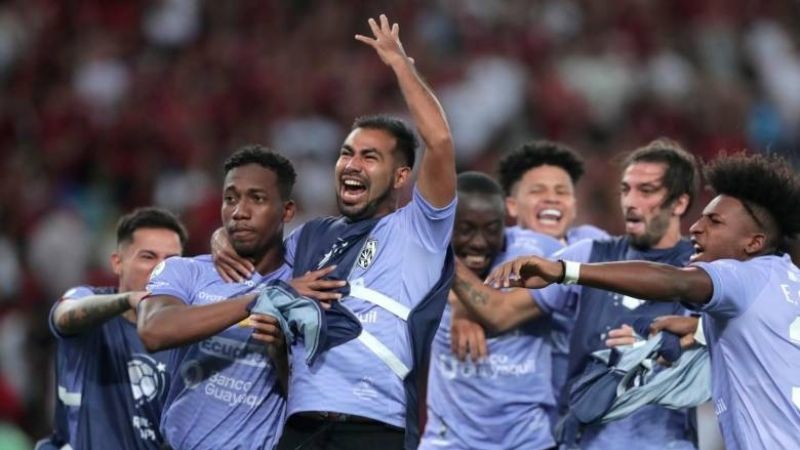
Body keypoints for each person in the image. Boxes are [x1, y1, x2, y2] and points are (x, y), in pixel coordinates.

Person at [213, 14, 456, 450]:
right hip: (301, 427)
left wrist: (400, 65)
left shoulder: (420, 230)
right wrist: (220, 238)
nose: (352, 164)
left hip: (374, 427)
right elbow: (251, 257)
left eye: (369, 157)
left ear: (401, 177)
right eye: (346, 153)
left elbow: (439, 143)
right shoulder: (311, 236)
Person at [486, 152, 800, 450]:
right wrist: (699, 329)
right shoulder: (786, 279)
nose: (696, 228)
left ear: (754, 242)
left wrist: (563, 271)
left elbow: (675, 281)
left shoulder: (739, 277)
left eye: (715, 222)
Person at [456, 138, 701, 449]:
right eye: (626, 190)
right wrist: (460, 306)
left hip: (665, 440)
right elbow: (500, 311)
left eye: (646, 191)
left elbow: (711, 353)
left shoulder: (701, 271)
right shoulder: (589, 254)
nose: (630, 202)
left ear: (679, 203)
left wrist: (649, 348)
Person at [137, 146, 299, 450]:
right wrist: (256, 300)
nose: (239, 212)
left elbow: (312, 403)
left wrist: (280, 353)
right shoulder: (185, 271)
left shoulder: (301, 285)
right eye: (230, 198)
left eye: (257, 198)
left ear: (287, 211)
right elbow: (153, 330)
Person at [419, 172, 561, 450]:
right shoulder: (420, 257)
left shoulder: (537, 256)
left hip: (527, 442)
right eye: (466, 229)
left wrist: (465, 305)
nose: (479, 242)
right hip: (448, 442)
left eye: (492, 229)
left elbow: (499, 313)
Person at [44, 207, 187, 449]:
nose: (162, 269)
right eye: (148, 257)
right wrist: (130, 299)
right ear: (118, 263)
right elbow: (64, 316)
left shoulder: (190, 332)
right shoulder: (87, 299)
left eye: (172, 260)